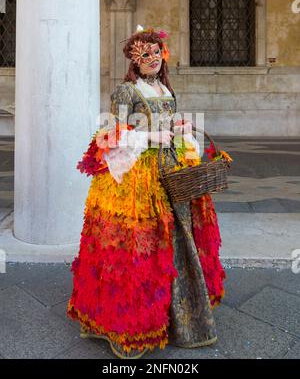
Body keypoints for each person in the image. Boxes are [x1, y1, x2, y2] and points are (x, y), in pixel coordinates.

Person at [66, 25, 230, 359]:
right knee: (144, 244)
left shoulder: (165, 89)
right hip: (141, 176)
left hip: (173, 169)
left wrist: (177, 127)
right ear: (134, 61)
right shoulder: (126, 92)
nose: (152, 59)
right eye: (144, 55)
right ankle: (135, 324)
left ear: (162, 56)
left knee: (180, 237)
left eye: (156, 53)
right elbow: (108, 137)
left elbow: (168, 123)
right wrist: (148, 138)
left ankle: (179, 319)